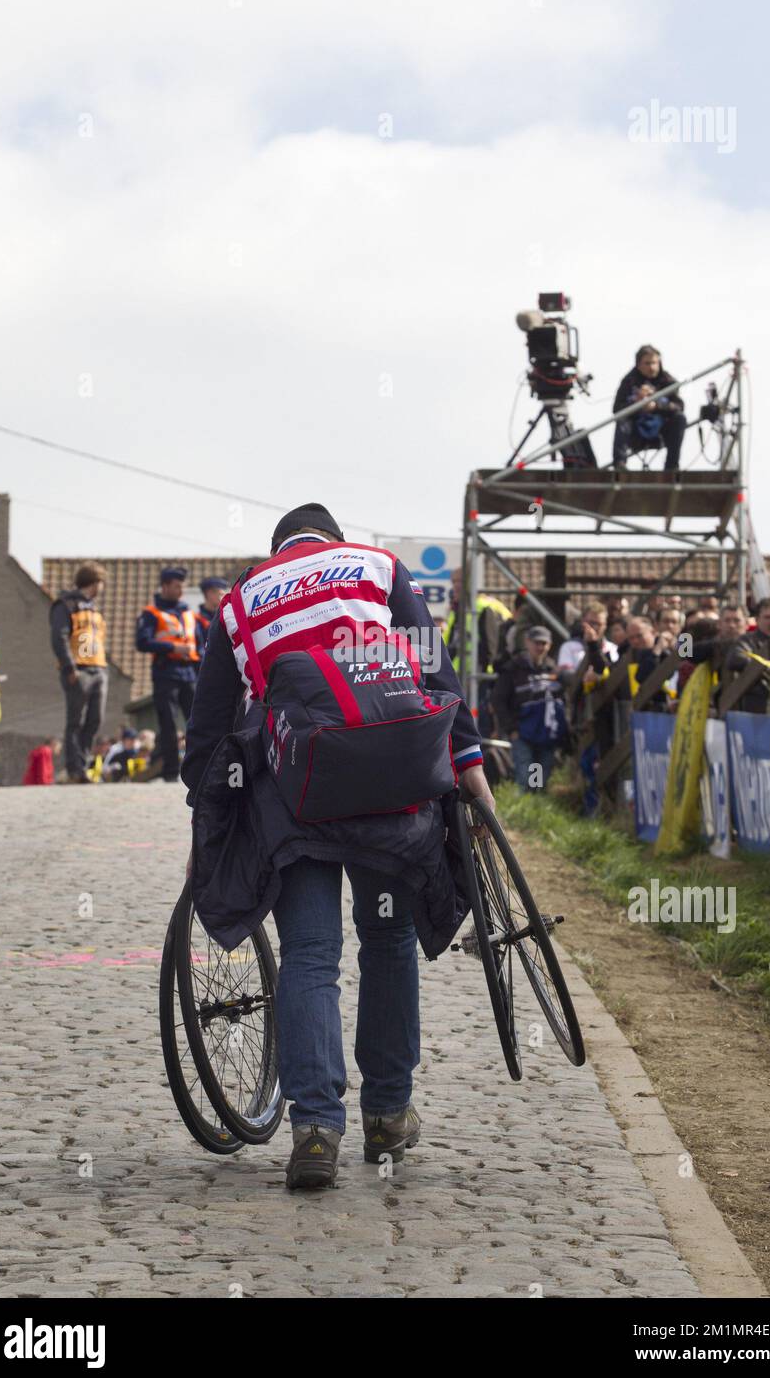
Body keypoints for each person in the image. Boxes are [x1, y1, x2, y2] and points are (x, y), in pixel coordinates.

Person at [181, 502, 492, 1191]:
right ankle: (386, 1112)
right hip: (393, 789)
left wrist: (205, 825)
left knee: (311, 957)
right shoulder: (378, 568)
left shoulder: (239, 603)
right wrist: (469, 764)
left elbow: (207, 732)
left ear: (276, 551)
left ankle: (315, 1129)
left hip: (298, 798)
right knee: (387, 942)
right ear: (334, 542)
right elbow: (435, 673)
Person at [136, 566, 202, 783]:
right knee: (169, 724)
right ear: (164, 587)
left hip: (190, 674)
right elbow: (142, 642)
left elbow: (200, 644)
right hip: (166, 673)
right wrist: (171, 648)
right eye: (176, 586)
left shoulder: (188, 613)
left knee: (197, 721)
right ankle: (171, 772)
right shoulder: (151, 613)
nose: (180, 590)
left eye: (182, 586)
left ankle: (199, 767)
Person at [49, 563, 108, 784]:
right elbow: (59, 637)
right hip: (78, 669)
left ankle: (82, 762)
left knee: (95, 719)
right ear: (95, 582)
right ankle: (74, 768)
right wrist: (68, 667)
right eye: (101, 582)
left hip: (98, 668)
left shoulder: (93, 609)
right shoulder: (66, 604)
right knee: (75, 720)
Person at [491, 626, 566, 791]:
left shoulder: (553, 670)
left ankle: (535, 807)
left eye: (544, 643)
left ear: (550, 645)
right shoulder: (513, 669)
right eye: (536, 643)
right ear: (527, 642)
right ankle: (525, 808)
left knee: (539, 780)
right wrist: (511, 728)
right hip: (522, 733)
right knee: (525, 778)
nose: (540, 647)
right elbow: (498, 700)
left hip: (545, 736)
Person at [612, 345, 687, 472]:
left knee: (680, 419)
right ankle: (620, 464)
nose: (651, 367)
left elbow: (679, 406)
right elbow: (617, 409)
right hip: (635, 431)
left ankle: (672, 467)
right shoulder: (629, 381)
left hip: (661, 430)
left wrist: (657, 406)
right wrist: (637, 403)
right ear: (639, 364)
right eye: (647, 363)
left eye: (654, 363)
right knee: (622, 420)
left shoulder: (668, 381)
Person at [726, 598, 770, 713]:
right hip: (755, 707)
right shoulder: (747, 640)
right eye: (767, 617)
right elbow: (735, 658)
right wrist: (768, 668)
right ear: (757, 620)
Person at [194, 576, 229, 645]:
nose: (222, 598)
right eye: (220, 594)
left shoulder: (226, 617)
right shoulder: (196, 619)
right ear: (209, 594)